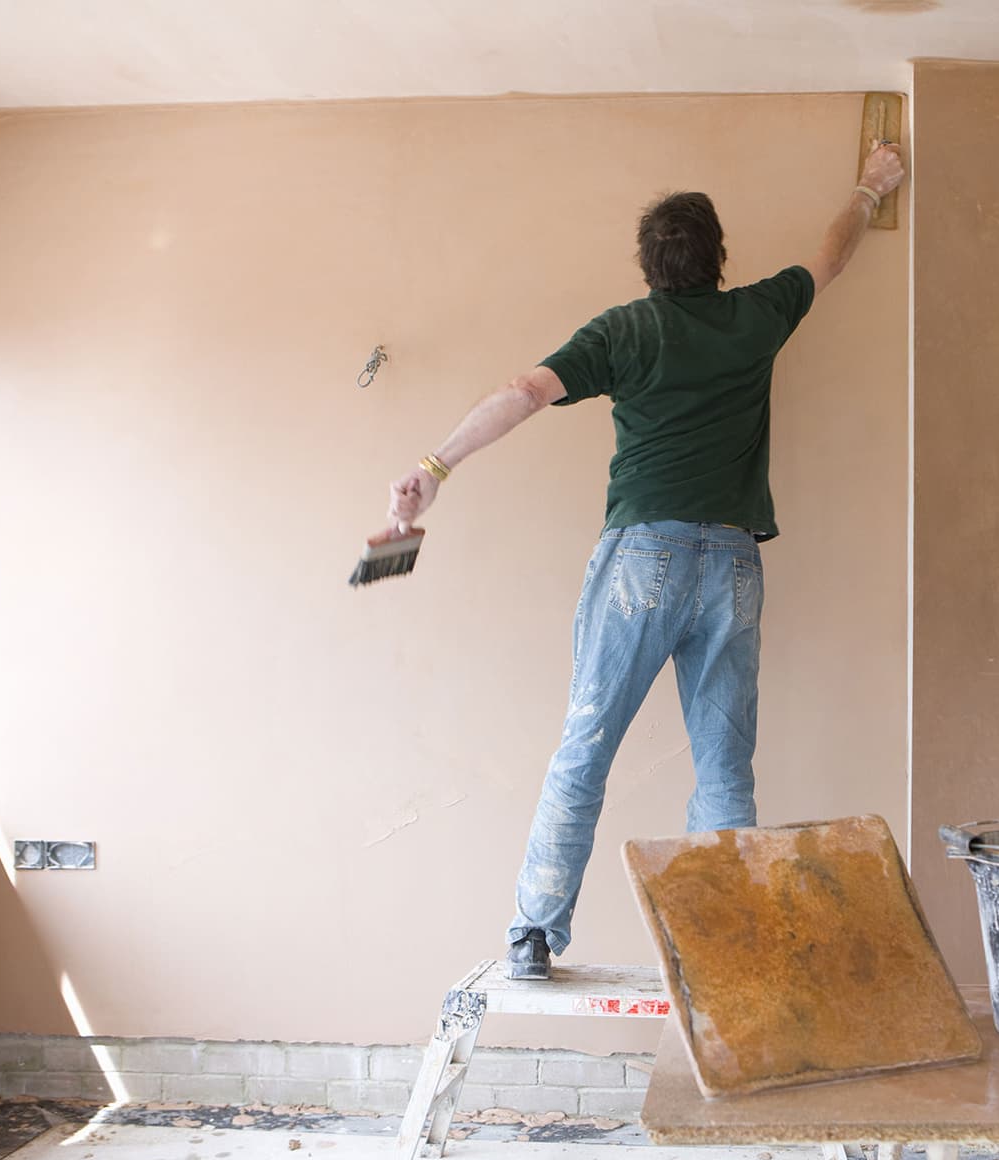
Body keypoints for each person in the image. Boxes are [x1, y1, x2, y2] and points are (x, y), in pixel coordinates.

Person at [388, 144, 906, 979]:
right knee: (725, 769)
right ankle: (731, 948)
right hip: (734, 563)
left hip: (645, 560)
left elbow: (525, 391)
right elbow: (830, 256)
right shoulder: (757, 314)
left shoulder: (627, 329)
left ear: (649, 267)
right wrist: (870, 186)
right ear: (718, 259)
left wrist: (437, 467)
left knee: (586, 745)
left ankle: (533, 934)